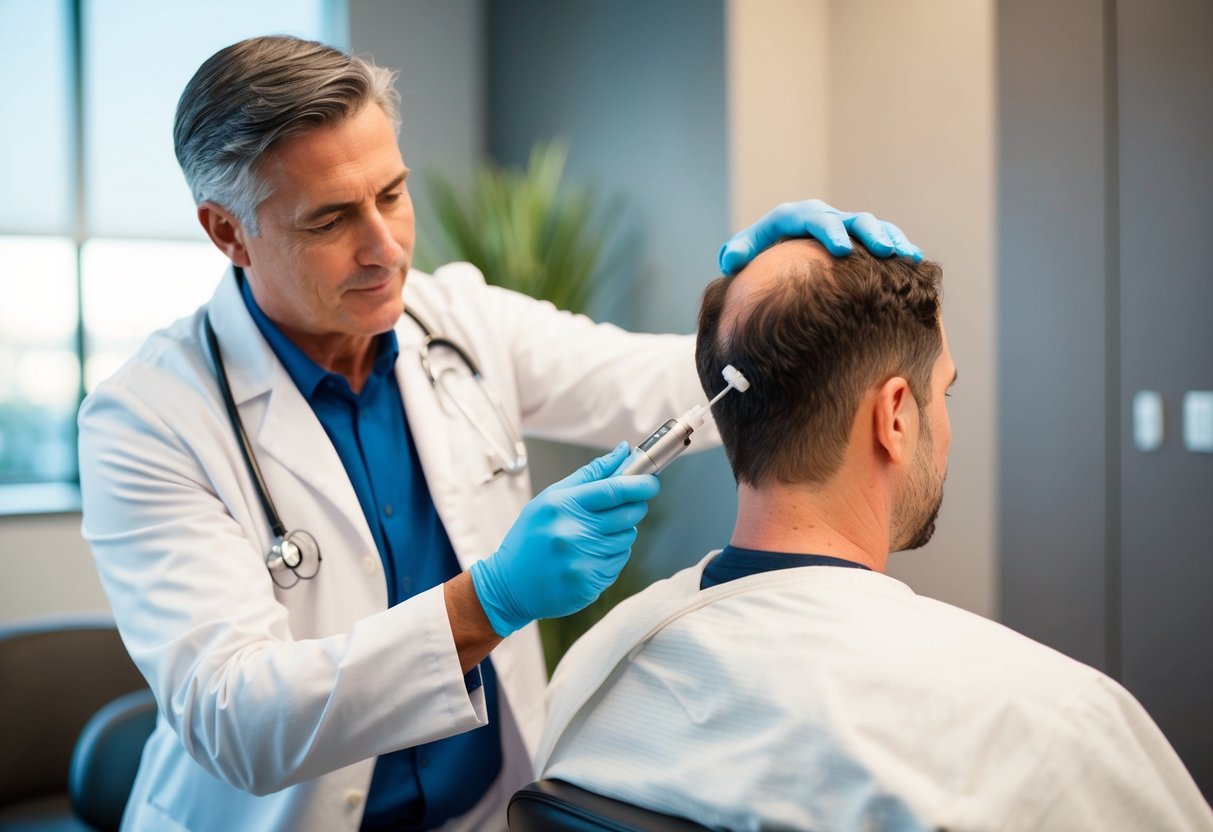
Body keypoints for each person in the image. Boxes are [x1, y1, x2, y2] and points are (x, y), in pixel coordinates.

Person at [75, 35, 916, 832]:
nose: (385, 249)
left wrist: (774, 296)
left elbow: (668, 384)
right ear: (228, 231)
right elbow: (237, 717)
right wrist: (491, 601)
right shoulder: (148, 419)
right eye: (329, 221)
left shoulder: (458, 320)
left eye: (393, 195)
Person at [535, 240, 1213, 831]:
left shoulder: (593, 669)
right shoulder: (1042, 724)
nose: (943, 423)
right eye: (941, 393)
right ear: (894, 415)